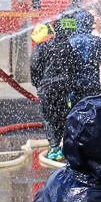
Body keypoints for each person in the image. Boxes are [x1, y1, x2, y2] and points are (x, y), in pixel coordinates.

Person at [29, 15, 78, 161]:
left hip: (46, 87)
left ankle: (54, 148)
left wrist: (37, 84)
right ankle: (64, 144)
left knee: (48, 117)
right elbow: (72, 64)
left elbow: (34, 66)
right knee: (61, 115)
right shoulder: (64, 43)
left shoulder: (40, 46)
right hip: (63, 86)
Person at [67, 9, 101, 105]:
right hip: (92, 82)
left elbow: (66, 61)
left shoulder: (70, 41)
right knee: (93, 107)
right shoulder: (96, 40)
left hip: (75, 83)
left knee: (76, 107)